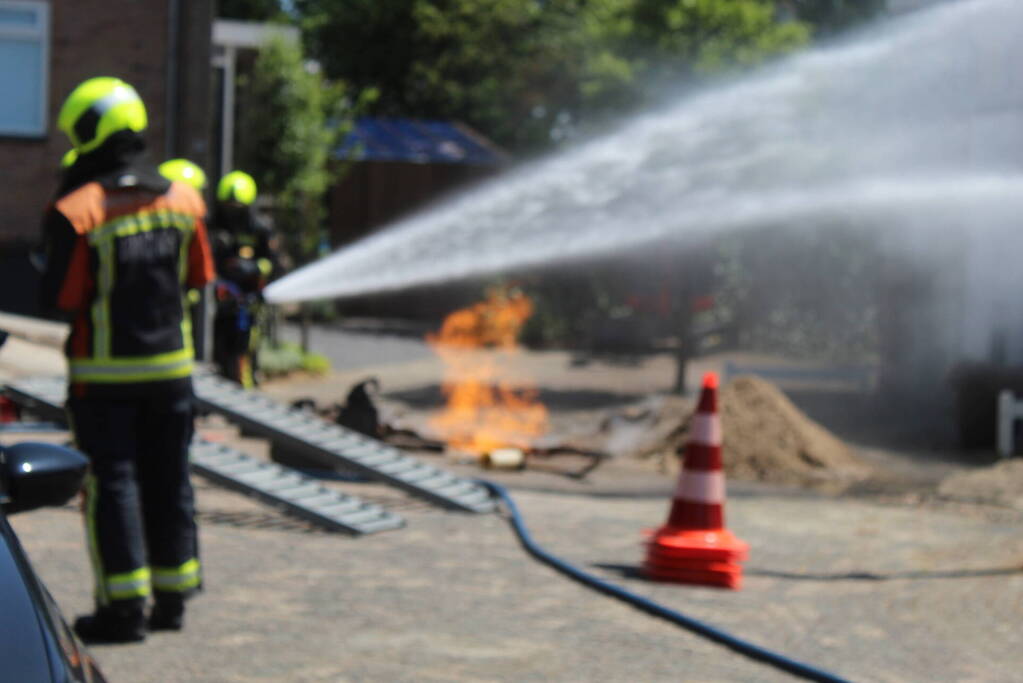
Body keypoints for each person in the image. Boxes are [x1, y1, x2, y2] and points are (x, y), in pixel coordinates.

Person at [37, 77, 215, 643]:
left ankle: (122, 609)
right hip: (172, 375)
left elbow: (57, 300)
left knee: (112, 487)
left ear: (90, 132)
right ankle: (172, 600)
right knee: (171, 482)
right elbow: (199, 278)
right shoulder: (185, 202)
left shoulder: (79, 210)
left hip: (103, 380)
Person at [210, 170, 278, 388]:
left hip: (249, 301)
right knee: (220, 348)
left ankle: (247, 390)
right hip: (222, 299)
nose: (232, 213)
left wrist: (252, 267)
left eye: (237, 208)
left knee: (245, 350)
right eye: (228, 207)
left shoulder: (260, 228)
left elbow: (272, 263)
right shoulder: (216, 227)